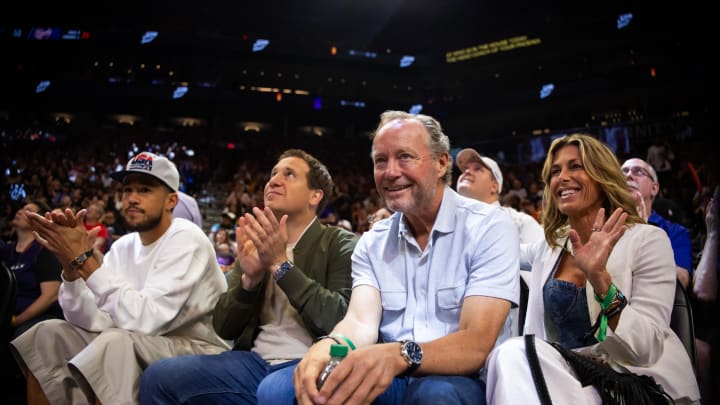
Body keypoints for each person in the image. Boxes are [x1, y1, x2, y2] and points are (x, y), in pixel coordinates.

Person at [291, 110, 520, 405]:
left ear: (441, 163)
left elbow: (475, 344)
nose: (390, 172)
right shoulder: (372, 242)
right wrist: (331, 345)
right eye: (380, 161)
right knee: (286, 388)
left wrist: (399, 354)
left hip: (464, 380)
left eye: (405, 157)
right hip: (391, 375)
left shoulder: (490, 226)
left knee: (435, 396)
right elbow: (360, 323)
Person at [485, 133, 700, 404]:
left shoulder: (648, 241)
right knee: (503, 359)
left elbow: (646, 347)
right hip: (563, 379)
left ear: (602, 175)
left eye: (575, 166)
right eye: (555, 171)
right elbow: (496, 252)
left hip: (632, 381)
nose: (562, 177)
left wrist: (600, 280)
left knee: (514, 353)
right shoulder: (548, 248)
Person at [139, 149, 358, 404]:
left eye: (289, 174)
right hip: (251, 363)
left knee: (274, 392)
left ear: (315, 195)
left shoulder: (339, 243)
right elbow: (223, 326)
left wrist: (280, 265)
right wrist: (249, 282)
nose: (274, 181)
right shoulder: (256, 245)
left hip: (308, 362)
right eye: (273, 173)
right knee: (159, 377)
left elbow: (339, 317)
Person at [10, 151, 230, 404]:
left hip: (197, 347)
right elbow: (88, 317)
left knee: (115, 343)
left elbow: (146, 319)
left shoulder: (186, 237)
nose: (132, 199)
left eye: (144, 190)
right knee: (47, 335)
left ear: (171, 200)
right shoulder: (124, 245)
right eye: (127, 190)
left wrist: (84, 261)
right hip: (144, 339)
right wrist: (71, 268)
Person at [456, 148, 544, 336]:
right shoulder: (445, 227)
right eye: (465, 169)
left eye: (478, 169)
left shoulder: (519, 222)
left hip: (505, 331)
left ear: (494, 186)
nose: (467, 171)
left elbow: (545, 263)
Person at [622, 157, 693, 288]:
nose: (628, 176)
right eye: (623, 172)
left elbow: (682, 280)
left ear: (654, 188)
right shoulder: (604, 226)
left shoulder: (675, 232)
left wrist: (642, 235)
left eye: (638, 172)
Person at [0, 200, 63, 339]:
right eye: (21, 208)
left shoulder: (44, 250)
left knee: (20, 336)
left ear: (38, 221)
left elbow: (50, 296)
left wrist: (16, 321)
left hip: (36, 319)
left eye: (28, 210)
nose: (20, 211)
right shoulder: (6, 250)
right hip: (7, 315)